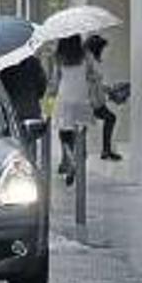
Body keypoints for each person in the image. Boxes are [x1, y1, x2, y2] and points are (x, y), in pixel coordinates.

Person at [51, 34, 94, 186]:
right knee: (81, 135)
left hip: (64, 99)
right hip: (82, 99)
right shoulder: (86, 55)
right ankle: (79, 156)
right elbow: (91, 75)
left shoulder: (59, 57)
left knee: (64, 135)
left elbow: (55, 80)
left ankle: (70, 159)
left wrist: (50, 97)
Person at [85, 34, 122, 161]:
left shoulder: (88, 58)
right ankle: (105, 150)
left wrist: (108, 89)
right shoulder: (87, 59)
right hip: (91, 101)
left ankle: (106, 150)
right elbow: (90, 81)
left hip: (93, 99)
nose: (103, 51)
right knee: (110, 118)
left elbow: (95, 82)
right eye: (102, 48)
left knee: (110, 118)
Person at [0, 56, 48, 122]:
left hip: (12, 115)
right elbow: (42, 88)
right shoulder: (33, 62)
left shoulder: (3, 63)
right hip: (33, 112)